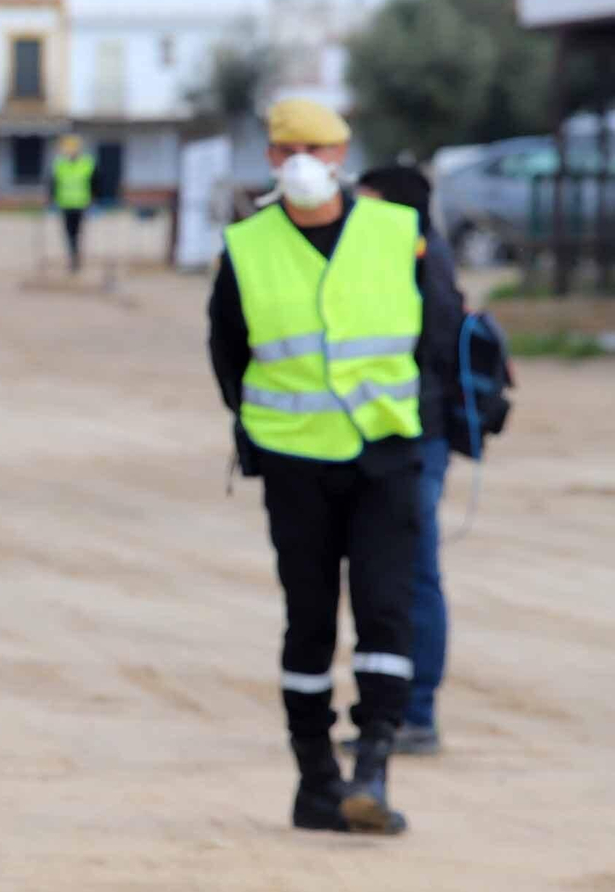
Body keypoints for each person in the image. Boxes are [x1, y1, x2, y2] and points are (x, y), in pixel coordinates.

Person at [206, 98, 458, 836]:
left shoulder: (398, 232)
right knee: (309, 618)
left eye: (318, 146)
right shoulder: (247, 245)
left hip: (386, 453)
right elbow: (229, 351)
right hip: (294, 460)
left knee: (385, 607)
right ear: (272, 159)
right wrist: (260, 424)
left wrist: (421, 428)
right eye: (288, 149)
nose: (303, 161)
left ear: (344, 152)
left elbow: (435, 336)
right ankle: (315, 777)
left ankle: (374, 763)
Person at [349, 165, 466, 756]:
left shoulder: (423, 262)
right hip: (393, 435)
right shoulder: (404, 257)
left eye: (365, 201)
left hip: (417, 437)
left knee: (415, 573)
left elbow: (429, 349)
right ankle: (396, 710)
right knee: (389, 573)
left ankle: (416, 713)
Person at [49, 133, 95, 274]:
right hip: (65, 204)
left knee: (78, 232)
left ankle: (75, 257)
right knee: (68, 233)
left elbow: (95, 182)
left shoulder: (87, 163)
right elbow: (53, 183)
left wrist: (94, 199)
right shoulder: (60, 164)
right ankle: (73, 257)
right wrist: (52, 199)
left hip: (81, 204)